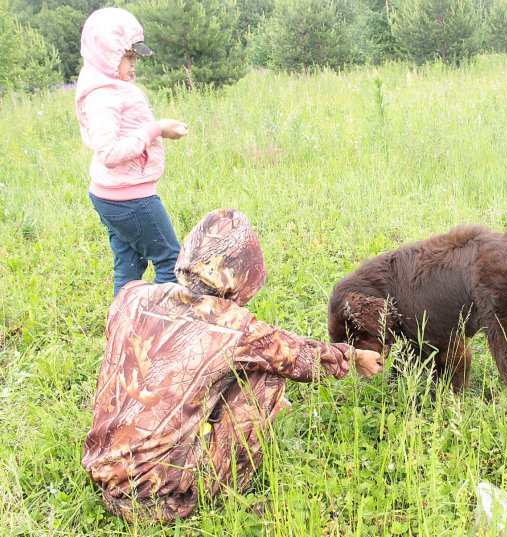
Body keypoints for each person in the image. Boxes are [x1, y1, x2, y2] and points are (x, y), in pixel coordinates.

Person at [81, 209, 384, 522]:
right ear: (244, 271)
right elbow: (297, 356)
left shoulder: (132, 296)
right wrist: (353, 355)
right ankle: (231, 486)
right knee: (268, 376)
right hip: (161, 499)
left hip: (104, 475)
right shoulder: (234, 326)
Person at [75, 7, 189, 296]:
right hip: (130, 198)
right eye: (128, 57)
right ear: (106, 54)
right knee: (171, 261)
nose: (133, 64)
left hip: (114, 195)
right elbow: (109, 152)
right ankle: (163, 332)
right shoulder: (103, 96)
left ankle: (121, 334)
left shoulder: (112, 87)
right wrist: (157, 129)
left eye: (135, 57)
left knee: (128, 266)